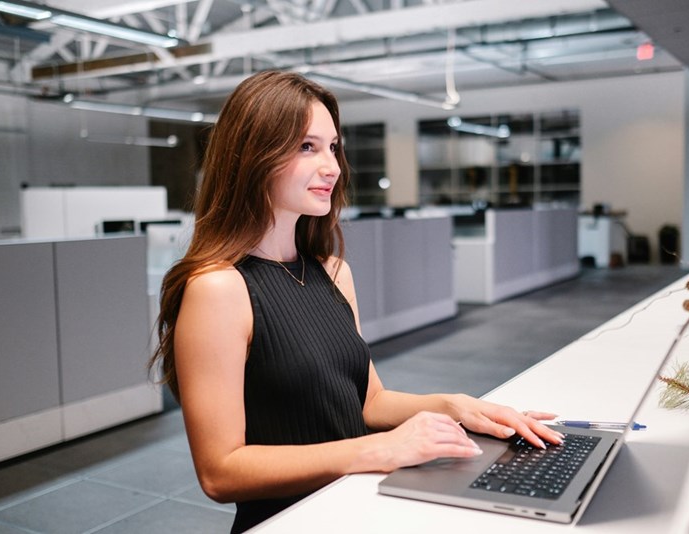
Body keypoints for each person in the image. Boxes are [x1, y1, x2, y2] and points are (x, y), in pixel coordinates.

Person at [148, 70, 563, 533]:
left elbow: (369, 401)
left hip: (357, 506)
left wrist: (457, 406)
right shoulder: (218, 289)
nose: (332, 166)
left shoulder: (333, 272)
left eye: (332, 147)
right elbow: (220, 471)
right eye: (307, 147)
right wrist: (378, 450)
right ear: (252, 157)